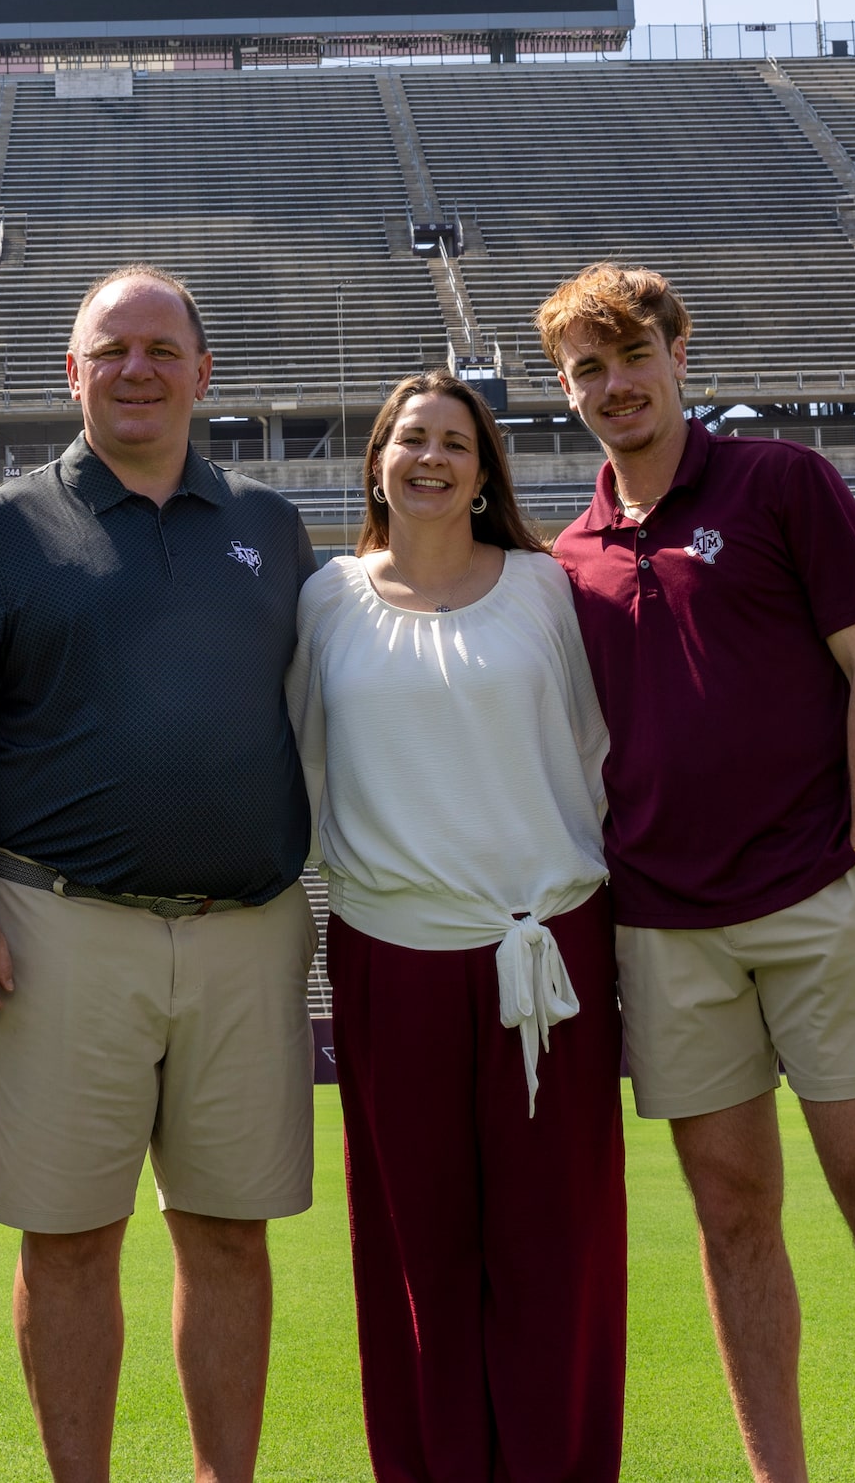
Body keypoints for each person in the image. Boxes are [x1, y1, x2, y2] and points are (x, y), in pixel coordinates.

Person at [535, 264, 855, 1483]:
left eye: (632, 357)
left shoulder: (782, 483)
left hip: (819, 894)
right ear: (566, 393)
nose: (615, 386)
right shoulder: (569, 556)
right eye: (588, 370)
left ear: (679, 354)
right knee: (732, 1218)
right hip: (666, 930)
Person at [0, 264, 318, 1483]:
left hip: (248, 927)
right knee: (68, 1243)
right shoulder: (1, 529)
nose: (134, 370)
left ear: (203, 372)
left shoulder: (272, 525)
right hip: (59, 925)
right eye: (110, 350)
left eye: (158, 349)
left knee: (230, 1239)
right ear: (70, 373)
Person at [287, 369, 626, 1483]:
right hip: (391, 956)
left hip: (548, 955)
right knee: (416, 1259)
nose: (431, 458)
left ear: (485, 476)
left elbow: (593, 755)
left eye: (456, 444)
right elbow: (304, 768)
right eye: (410, 439)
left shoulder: (543, 588)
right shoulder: (325, 599)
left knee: (554, 1255)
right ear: (378, 459)